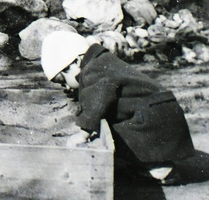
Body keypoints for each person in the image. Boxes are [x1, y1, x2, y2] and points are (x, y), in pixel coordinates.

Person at [40, 30, 196, 184]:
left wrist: (83, 134)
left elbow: (96, 102)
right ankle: (148, 163)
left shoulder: (94, 70)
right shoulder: (102, 61)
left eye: (64, 81)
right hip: (159, 111)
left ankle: (161, 171)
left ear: (76, 61)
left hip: (154, 118)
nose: (67, 86)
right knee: (114, 125)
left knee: (117, 131)